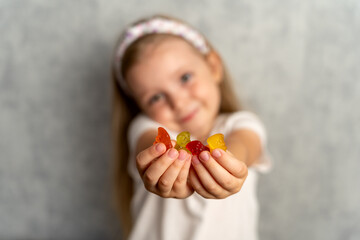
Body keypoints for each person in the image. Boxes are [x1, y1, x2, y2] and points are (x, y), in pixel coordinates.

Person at [111, 14, 272, 240]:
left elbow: (244, 147)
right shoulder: (144, 127)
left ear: (213, 67)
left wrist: (229, 164)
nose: (179, 102)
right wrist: (160, 161)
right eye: (155, 97)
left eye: (185, 77)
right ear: (138, 105)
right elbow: (147, 145)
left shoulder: (243, 123)